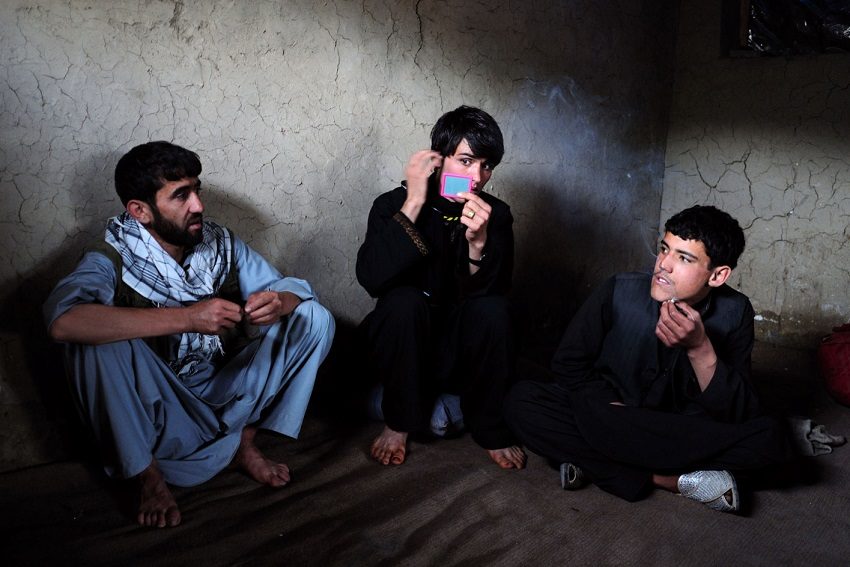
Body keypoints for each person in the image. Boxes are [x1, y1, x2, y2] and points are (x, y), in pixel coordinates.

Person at [44, 141, 335, 528]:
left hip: (222, 390)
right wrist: (187, 318)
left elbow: (288, 289)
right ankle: (147, 475)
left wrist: (280, 300)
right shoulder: (109, 256)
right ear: (140, 211)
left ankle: (245, 443)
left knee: (313, 317)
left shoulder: (217, 242)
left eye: (196, 190)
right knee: (92, 343)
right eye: (180, 195)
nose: (197, 205)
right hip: (159, 407)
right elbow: (64, 322)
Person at [504, 205, 790, 513]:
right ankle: (670, 480)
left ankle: (600, 464)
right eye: (664, 249)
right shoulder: (619, 289)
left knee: (772, 440)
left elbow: (737, 410)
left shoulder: (735, 312)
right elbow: (568, 364)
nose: (663, 264)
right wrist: (610, 406)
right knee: (522, 401)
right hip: (609, 416)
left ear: (718, 275)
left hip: (672, 429)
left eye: (684, 258)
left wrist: (699, 348)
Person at [356, 106, 526, 469]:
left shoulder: (497, 214)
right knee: (404, 300)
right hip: (402, 348)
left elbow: (491, 301)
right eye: (465, 161)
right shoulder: (390, 204)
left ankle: (487, 426)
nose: (477, 176)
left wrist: (478, 244)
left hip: (454, 356)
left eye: (486, 166)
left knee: (496, 310)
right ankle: (399, 420)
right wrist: (415, 202)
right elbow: (371, 278)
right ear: (438, 159)